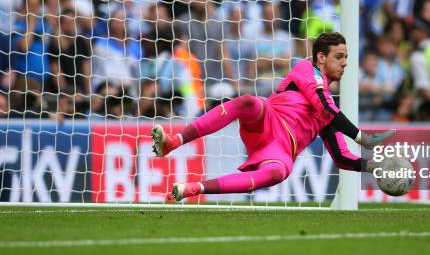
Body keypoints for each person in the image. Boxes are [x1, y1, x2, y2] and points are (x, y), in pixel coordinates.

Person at [153, 33, 396, 201]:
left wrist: (370, 166)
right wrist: (361, 137)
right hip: (269, 120)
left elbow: (342, 157)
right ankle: (174, 142)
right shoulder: (306, 70)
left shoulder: (330, 111)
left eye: (346, 57)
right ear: (321, 57)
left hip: (280, 149)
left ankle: (191, 189)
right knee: (249, 101)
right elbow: (324, 107)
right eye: (339, 56)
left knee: (278, 173)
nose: (345, 63)